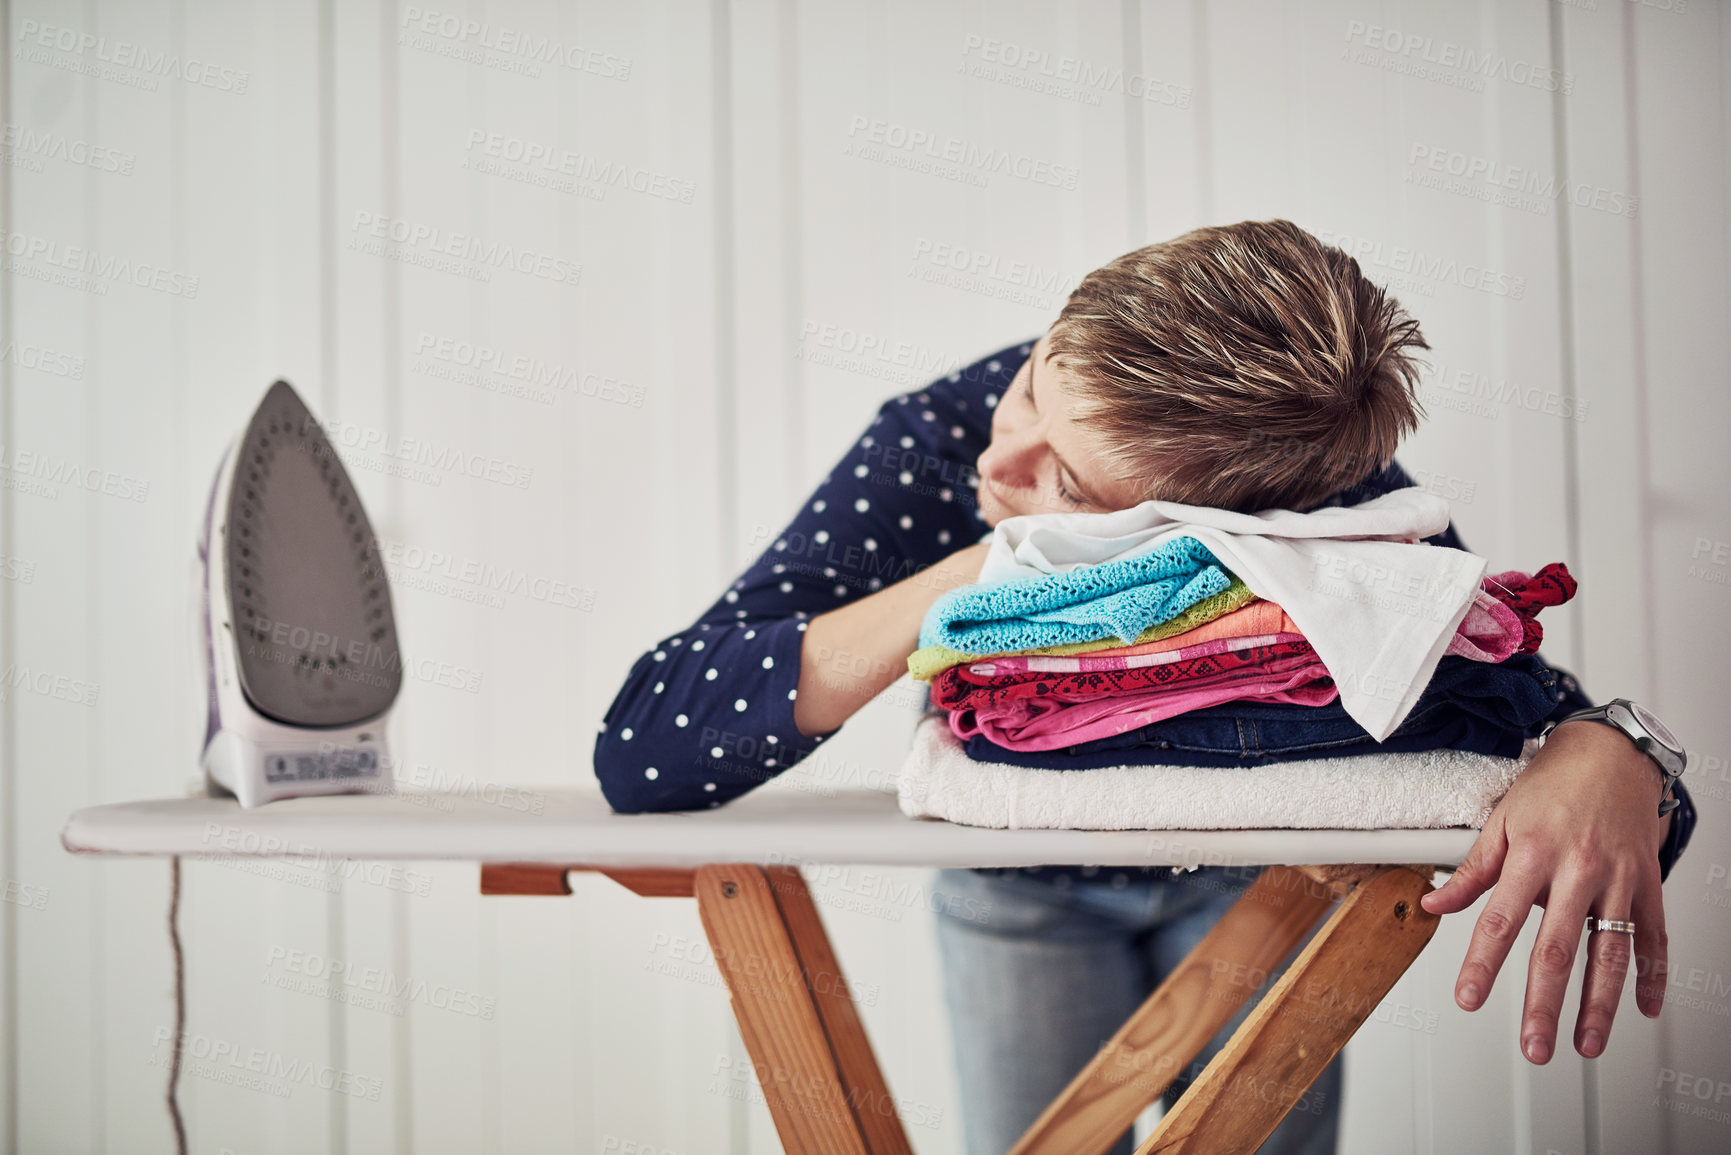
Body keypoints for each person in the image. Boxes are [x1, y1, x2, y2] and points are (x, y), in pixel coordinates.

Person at [592, 220, 1695, 1154]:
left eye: (1064, 482)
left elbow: (1527, 710)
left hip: (1275, 883)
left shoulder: (1332, 492)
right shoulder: (950, 434)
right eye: (1032, 386)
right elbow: (647, 747)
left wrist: (1617, 752)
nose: (1002, 460)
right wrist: (990, 569)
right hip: (1021, 888)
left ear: (1252, 521)